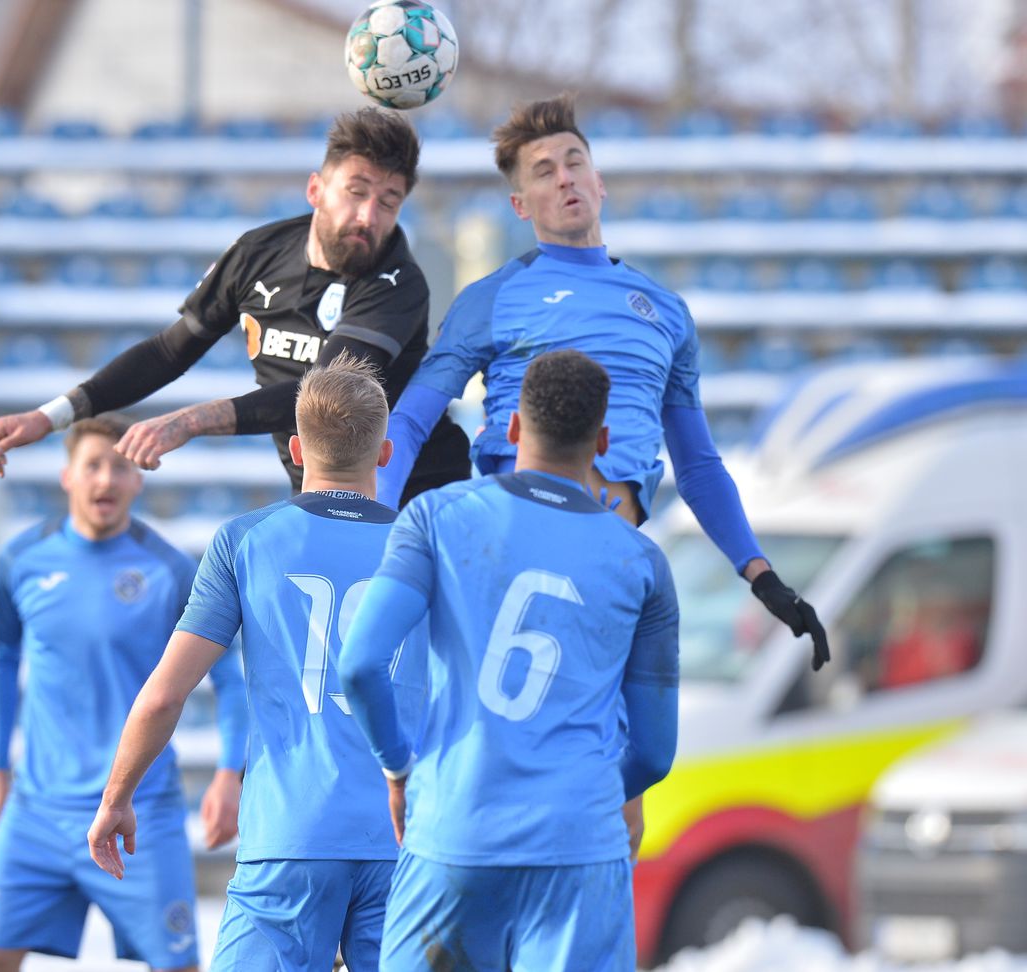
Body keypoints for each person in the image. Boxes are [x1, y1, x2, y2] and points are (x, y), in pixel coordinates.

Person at [375, 93, 828, 672]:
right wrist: (376, 524)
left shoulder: (666, 313)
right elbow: (410, 421)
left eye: (575, 162)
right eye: (544, 171)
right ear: (520, 205)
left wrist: (760, 574)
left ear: (599, 182)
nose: (565, 178)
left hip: (613, 565)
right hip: (509, 552)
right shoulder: (491, 299)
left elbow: (698, 466)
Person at [339, 349, 680, 971]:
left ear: (514, 428)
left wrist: (399, 772)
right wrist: (591, 796)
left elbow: (360, 664)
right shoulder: (642, 562)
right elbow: (655, 753)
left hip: (455, 828)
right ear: (602, 442)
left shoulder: (437, 517)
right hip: (578, 847)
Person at [88, 354, 424, 972]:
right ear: (384, 453)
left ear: (296, 448)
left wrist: (117, 797)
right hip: (408, 840)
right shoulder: (427, 545)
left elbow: (164, 696)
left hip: (290, 838)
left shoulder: (246, 540)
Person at [0, 107, 470, 506]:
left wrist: (188, 422)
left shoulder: (397, 283)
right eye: (356, 192)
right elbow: (168, 351)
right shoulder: (258, 254)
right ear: (316, 190)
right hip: (320, 494)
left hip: (418, 493)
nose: (367, 215)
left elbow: (323, 394)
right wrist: (51, 416)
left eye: (388, 202)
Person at [0, 415, 247, 972]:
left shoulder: (169, 570)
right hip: (37, 809)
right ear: (68, 476)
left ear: (138, 478)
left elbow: (229, 679)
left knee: (178, 966)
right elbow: (1, 658)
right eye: (92, 465)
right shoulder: (23, 559)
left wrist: (229, 774)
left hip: (141, 812)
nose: (106, 479)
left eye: (119, 467)